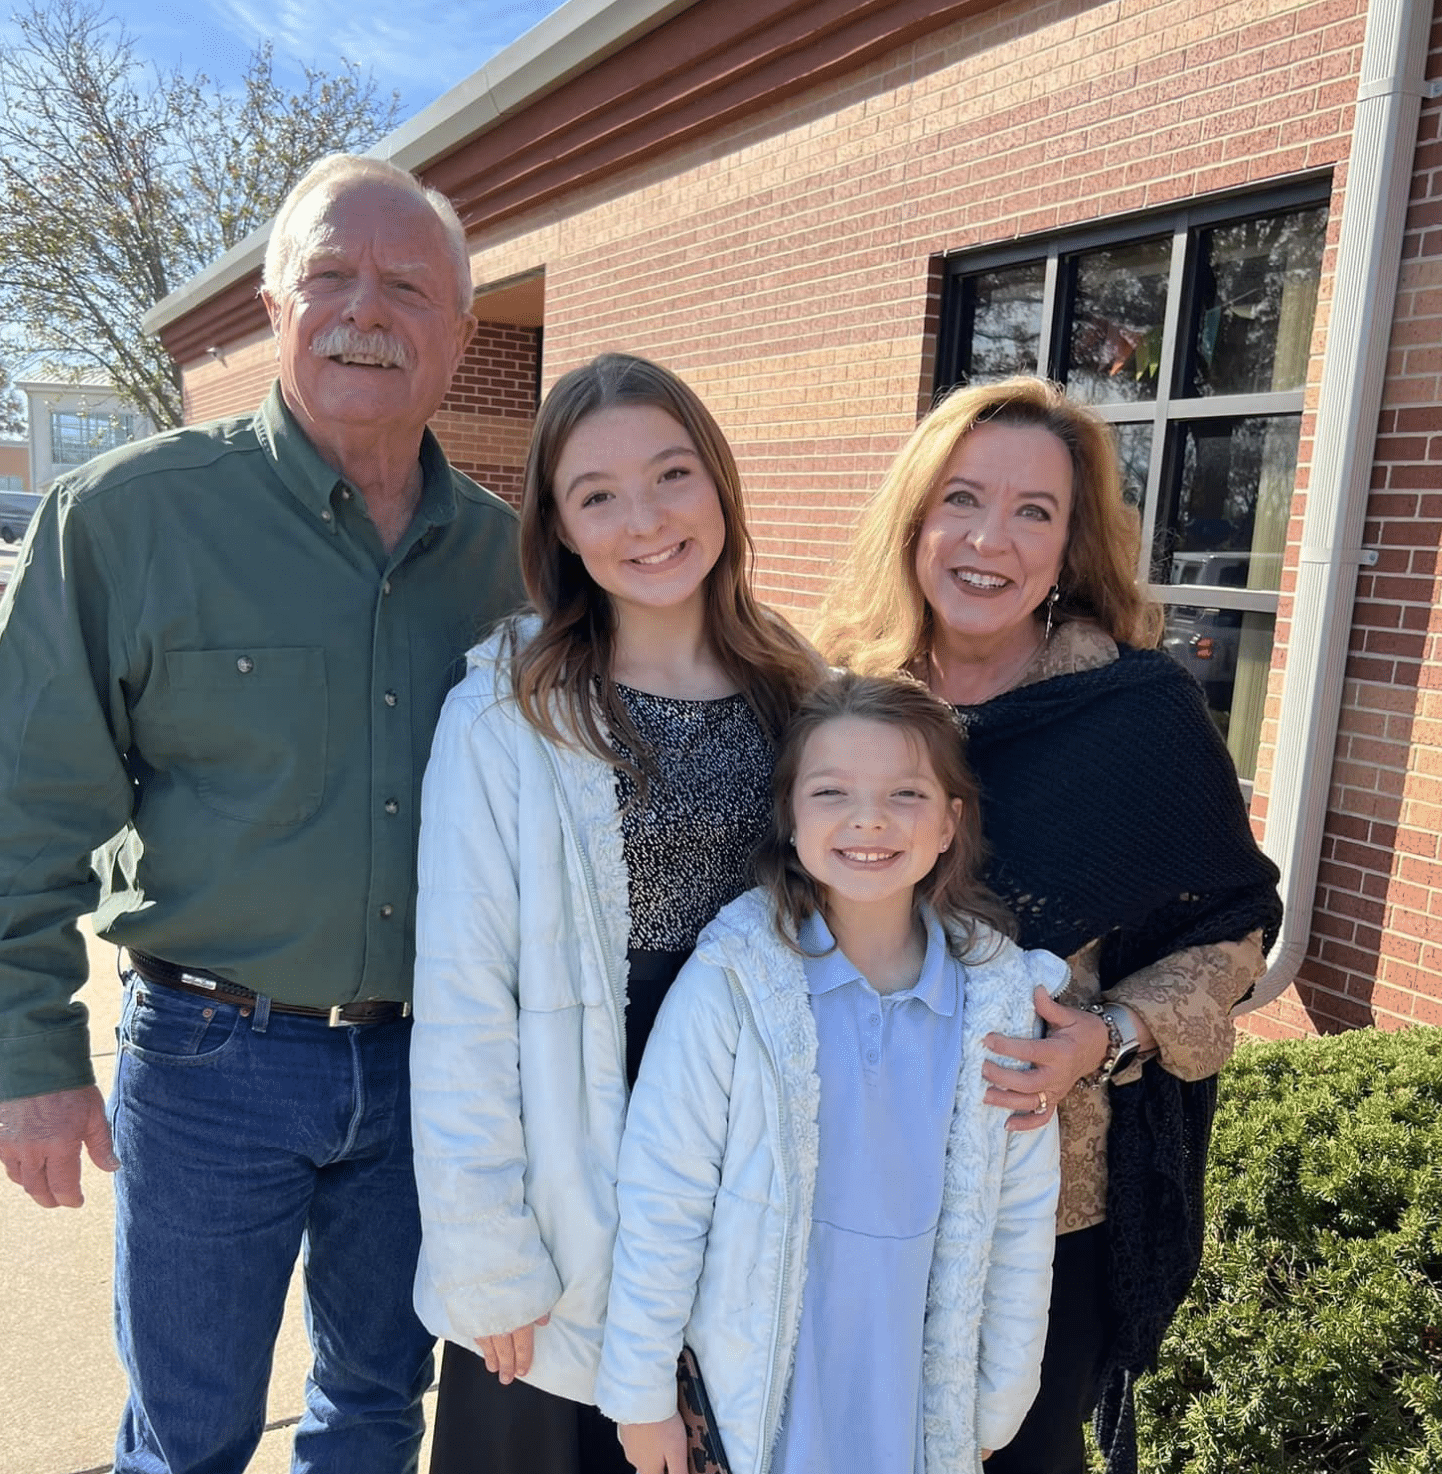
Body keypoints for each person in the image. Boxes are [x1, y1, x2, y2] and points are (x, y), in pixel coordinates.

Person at [0, 153, 523, 1474]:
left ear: (459, 331)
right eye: (330, 275)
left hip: (435, 1068)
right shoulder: (126, 520)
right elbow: (26, 801)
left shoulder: (510, 559)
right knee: (187, 1439)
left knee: (372, 1415)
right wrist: (32, 1056)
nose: (367, 308)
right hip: (209, 1059)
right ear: (270, 308)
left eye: (407, 285)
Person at [813, 376, 1284, 1474]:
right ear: (913, 517)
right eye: (962, 499)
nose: (990, 539)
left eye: (1033, 511)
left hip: (1042, 1200)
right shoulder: (833, 700)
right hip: (840, 1180)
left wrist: (1104, 1036)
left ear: (1070, 546)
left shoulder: (1137, 714)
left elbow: (1230, 931)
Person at [409, 352, 817, 1474]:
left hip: (743, 1130)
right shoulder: (507, 709)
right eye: (598, 494)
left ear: (719, 487)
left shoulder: (798, 685)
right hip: (573, 1134)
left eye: (672, 475)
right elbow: (461, 994)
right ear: (559, 526)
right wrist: (487, 1256)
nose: (644, 519)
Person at [595, 671, 1065, 1474]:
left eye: (907, 795)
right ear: (789, 815)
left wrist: (997, 1397)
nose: (869, 820)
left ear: (952, 822)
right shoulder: (733, 983)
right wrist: (641, 1395)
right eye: (832, 792)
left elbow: (1021, 1222)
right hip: (765, 1396)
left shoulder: (999, 1002)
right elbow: (661, 1198)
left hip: (910, 1397)